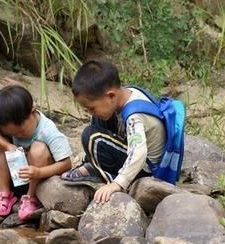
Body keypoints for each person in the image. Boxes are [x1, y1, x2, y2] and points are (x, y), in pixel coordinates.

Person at [62, 59, 166, 203]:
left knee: (92, 137)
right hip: (136, 152)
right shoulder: (128, 93)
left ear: (111, 95)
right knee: (101, 117)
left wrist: (118, 183)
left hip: (147, 171)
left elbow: (139, 153)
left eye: (91, 108)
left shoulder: (134, 117)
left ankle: (105, 174)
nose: (90, 113)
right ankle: (92, 162)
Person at [0, 85, 73, 221]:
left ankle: (31, 198)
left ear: (32, 111)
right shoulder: (10, 120)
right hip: (19, 174)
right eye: (12, 133)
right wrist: (7, 145)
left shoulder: (47, 130)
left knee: (38, 149)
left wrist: (39, 172)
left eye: (21, 131)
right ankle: (5, 195)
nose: (18, 135)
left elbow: (66, 164)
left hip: (39, 174)